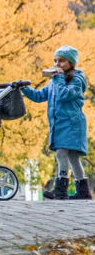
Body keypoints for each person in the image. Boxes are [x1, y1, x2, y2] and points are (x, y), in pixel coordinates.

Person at [23, 46, 91, 200]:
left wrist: (58, 77)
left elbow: (64, 95)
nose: (57, 63)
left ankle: (61, 189)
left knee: (61, 153)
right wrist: (24, 89)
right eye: (55, 60)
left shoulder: (76, 80)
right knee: (72, 157)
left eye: (62, 61)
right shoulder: (55, 81)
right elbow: (39, 96)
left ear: (71, 63)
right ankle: (83, 191)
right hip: (60, 124)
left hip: (72, 124)